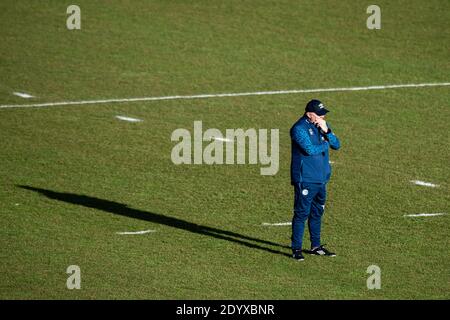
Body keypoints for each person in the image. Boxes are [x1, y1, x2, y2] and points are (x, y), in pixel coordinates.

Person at [289, 99, 341, 261]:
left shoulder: (321, 127)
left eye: (323, 114)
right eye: (319, 115)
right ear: (309, 114)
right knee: (301, 214)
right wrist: (326, 142)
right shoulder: (298, 129)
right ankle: (296, 248)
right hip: (305, 178)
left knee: (317, 213)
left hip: (321, 178)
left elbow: (337, 145)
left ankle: (316, 246)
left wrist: (328, 132)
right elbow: (310, 150)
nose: (322, 117)